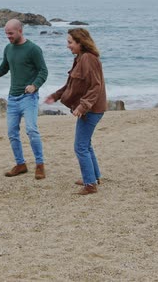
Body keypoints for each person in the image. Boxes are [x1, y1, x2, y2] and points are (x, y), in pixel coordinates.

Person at [0, 19, 48, 180]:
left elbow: (43, 72)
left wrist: (34, 86)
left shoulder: (33, 49)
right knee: (12, 133)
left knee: (31, 130)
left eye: (10, 33)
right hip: (13, 98)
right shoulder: (8, 48)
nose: (8, 36)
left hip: (29, 97)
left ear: (20, 30)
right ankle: (20, 164)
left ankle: (40, 164)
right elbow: (2, 70)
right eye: (6, 33)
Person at [44, 28, 107, 195]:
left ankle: (90, 184)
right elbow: (70, 85)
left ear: (81, 43)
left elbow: (95, 86)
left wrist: (82, 106)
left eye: (70, 42)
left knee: (80, 147)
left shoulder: (88, 59)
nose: (68, 46)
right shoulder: (80, 58)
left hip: (92, 109)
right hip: (90, 109)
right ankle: (94, 177)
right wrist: (55, 96)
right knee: (85, 145)